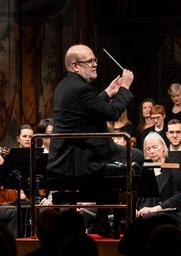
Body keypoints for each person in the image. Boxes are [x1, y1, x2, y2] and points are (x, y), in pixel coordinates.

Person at [47, 44, 134, 177]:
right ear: (75, 66)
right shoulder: (81, 89)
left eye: (95, 60)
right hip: (80, 157)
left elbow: (88, 107)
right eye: (89, 61)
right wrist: (125, 87)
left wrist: (108, 92)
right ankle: (127, 198)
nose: (95, 65)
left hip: (71, 152)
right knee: (136, 155)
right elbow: (113, 113)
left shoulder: (65, 85)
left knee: (132, 154)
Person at [135, 133, 181, 231]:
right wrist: (135, 209)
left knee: (148, 219)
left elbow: (179, 197)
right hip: (144, 213)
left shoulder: (174, 166)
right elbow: (136, 196)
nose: (151, 151)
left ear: (163, 147)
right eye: (148, 149)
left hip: (169, 214)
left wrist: (154, 209)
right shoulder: (144, 168)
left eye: (154, 147)